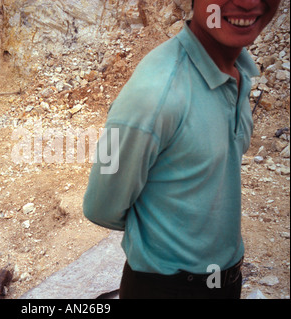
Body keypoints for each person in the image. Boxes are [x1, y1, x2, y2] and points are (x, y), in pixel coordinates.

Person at [83, 0, 281, 299]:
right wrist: (160, 238)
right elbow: (100, 205)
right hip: (166, 288)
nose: (249, 2)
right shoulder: (152, 93)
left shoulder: (239, 70)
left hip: (225, 280)